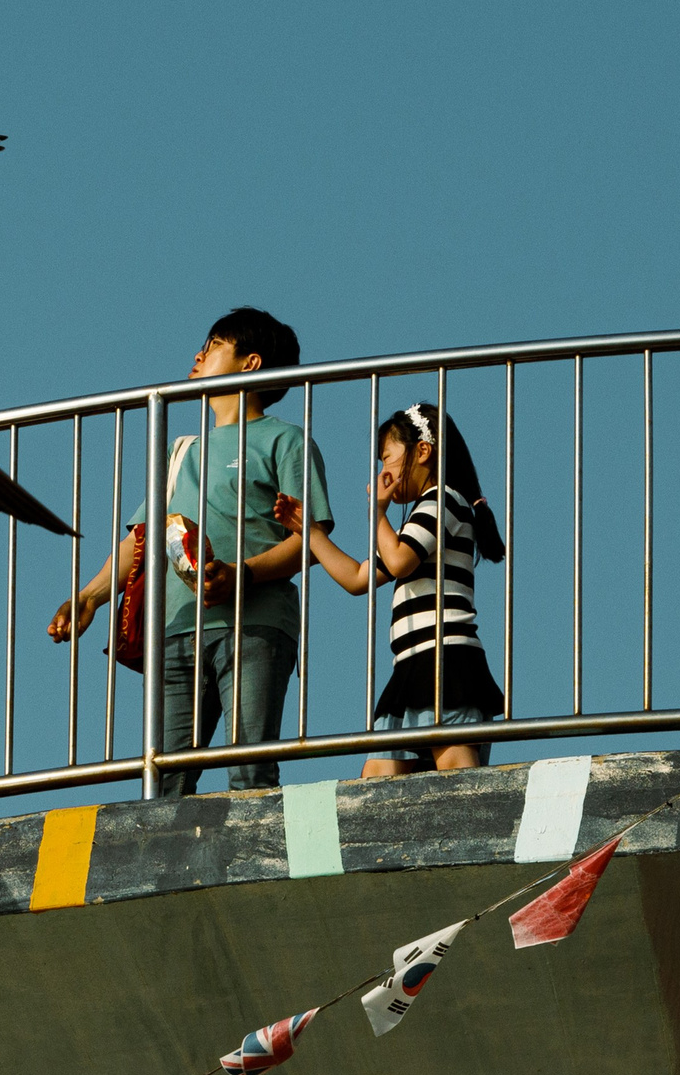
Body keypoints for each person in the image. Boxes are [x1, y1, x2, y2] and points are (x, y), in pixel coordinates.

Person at [46, 307, 331, 792]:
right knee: (166, 782)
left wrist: (240, 574)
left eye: (215, 344)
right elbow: (142, 540)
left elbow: (311, 541)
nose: (198, 355)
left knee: (251, 771)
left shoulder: (285, 439)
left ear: (251, 363)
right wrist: (91, 595)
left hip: (254, 625)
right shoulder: (181, 451)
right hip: (177, 630)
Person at [289, 401, 506, 776]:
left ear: (423, 451)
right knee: (378, 773)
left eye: (387, 458)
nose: (383, 471)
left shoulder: (444, 500)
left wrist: (378, 512)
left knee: (452, 768)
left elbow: (400, 561)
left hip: (446, 657)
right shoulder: (414, 520)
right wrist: (309, 532)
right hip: (411, 665)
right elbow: (358, 578)